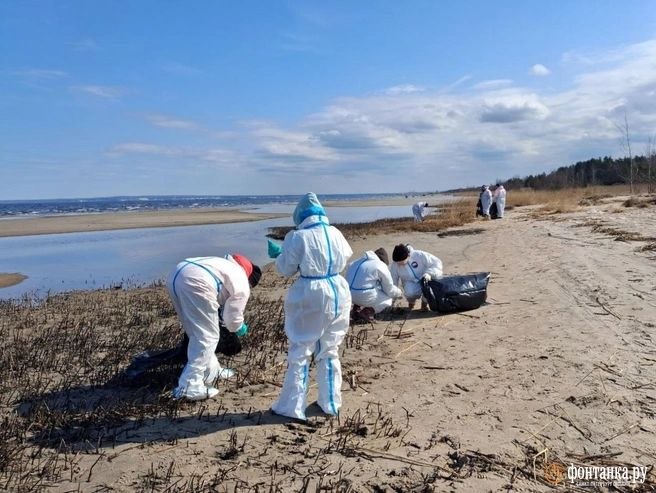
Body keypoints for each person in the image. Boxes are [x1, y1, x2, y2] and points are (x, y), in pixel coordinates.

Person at [267, 193, 353, 420]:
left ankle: (293, 406)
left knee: (301, 349)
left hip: (311, 293)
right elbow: (345, 256)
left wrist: (279, 255)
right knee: (330, 348)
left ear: (300, 216)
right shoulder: (335, 233)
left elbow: (286, 269)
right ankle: (330, 402)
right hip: (338, 289)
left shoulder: (298, 237)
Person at [167, 253, 261, 400]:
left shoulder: (223, 265)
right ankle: (189, 385)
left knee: (194, 332)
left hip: (176, 274)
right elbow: (232, 319)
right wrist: (240, 328)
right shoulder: (241, 279)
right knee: (208, 337)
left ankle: (212, 369)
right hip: (197, 282)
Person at [345, 247, 403, 322]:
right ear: (383, 261)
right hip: (363, 296)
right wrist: (399, 293)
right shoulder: (380, 265)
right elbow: (389, 289)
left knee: (361, 285)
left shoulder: (354, 262)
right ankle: (366, 312)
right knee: (388, 300)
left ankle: (355, 310)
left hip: (349, 295)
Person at [390, 244, 443, 311]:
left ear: (408, 256)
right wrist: (392, 300)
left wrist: (429, 273)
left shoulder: (419, 255)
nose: (399, 264)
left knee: (430, 285)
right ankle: (411, 305)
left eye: (401, 262)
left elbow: (437, 263)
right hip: (410, 282)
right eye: (398, 263)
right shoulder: (395, 265)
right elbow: (393, 282)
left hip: (426, 277)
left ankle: (424, 305)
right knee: (410, 293)